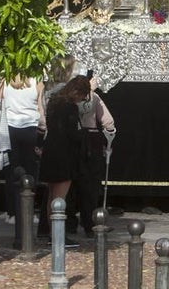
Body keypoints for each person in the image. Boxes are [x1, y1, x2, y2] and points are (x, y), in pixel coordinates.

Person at [38, 75, 89, 246]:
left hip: (50, 150)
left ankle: (51, 233)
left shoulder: (53, 102)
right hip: (64, 154)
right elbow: (71, 134)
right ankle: (57, 235)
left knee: (51, 196)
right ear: (79, 92)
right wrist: (85, 133)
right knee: (60, 198)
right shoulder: (70, 107)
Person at [0, 74, 45, 224]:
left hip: (9, 128)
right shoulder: (37, 80)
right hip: (30, 127)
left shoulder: (6, 80)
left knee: (11, 171)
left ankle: (12, 213)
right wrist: (44, 125)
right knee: (30, 172)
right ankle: (28, 212)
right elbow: (40, 107)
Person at [75, 75, 115, 238]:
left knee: (73, 183)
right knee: (90, 184)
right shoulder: (94, 97)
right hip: (90, 138)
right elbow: (108, 121)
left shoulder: (64, 96)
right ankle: (88, 221)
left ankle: (71, 222)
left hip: (73, 139)